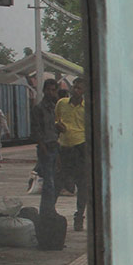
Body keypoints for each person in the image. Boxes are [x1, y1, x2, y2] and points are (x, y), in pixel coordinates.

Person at [55, 76, 90, 231]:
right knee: (59, 181)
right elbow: (55, 120)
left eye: (79, 88)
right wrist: (58, 126)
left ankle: (79, 215)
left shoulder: (87, 108)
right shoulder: (62, 103)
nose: (75, 90)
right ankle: (51, 213)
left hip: (80, 147)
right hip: (64, 147)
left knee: (82, 184)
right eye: (74, 87)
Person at [29, 79, 61, 216]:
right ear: (43, 91)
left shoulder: (55, 108)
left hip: (56, 146)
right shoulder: (38, 108)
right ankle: (47, 211)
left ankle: (49, 209)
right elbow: (36, 130)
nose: (51, 92)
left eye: (53, 90)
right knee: (49, 182)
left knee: (55, 180)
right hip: (46, 148)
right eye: (49, 90)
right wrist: (43, 148)